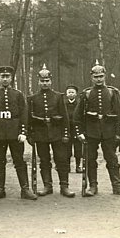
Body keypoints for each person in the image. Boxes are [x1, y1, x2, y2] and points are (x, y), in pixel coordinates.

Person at [74, 61, 120, 196]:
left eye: (101, 76)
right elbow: (78, 116)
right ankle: (93, 187)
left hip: (109, 132)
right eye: (96, 77)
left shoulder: (113, 92)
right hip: (91, 132)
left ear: (105, 76)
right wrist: (80, 132)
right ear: (91, 78)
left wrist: (119, 133)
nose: (98, 79)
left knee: (112, 160)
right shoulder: (86, 94)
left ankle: (116, 187)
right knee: (90, 160)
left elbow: (119, 114)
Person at [0, 66, 37, 200]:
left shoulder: (18, 94)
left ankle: (25, 189)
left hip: (15, 133)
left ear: (11, 78)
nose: (5, 79)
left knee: (19, 161)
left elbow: (23, 114)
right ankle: (0, 189)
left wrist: (23, 132)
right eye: (2, 77)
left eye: (7, 76)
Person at [27, 64, 75, 198]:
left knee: (61, 159)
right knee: (44, 160)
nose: (45, 83)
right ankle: (47, 186)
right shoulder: (32, 98)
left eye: (47, 81)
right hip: (40, 133)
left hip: (57, 133)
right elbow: (29, 119)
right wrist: (30, 135)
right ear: (38, 82)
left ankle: (64, 186)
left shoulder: (58, 97)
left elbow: (65, 117)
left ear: (51, 81)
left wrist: (66, 134)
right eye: (42, 81)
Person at [65, 85, 82, 173]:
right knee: (67, 148)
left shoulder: (79, 104)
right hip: (67, 129)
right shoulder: (64, 105)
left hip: (76, 129)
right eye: (69, 92)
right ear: (66, 94)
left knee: (78, 148)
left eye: (72, 92)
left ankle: (78, 166)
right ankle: (67, 166)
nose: (71, 94)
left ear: (76, 94)